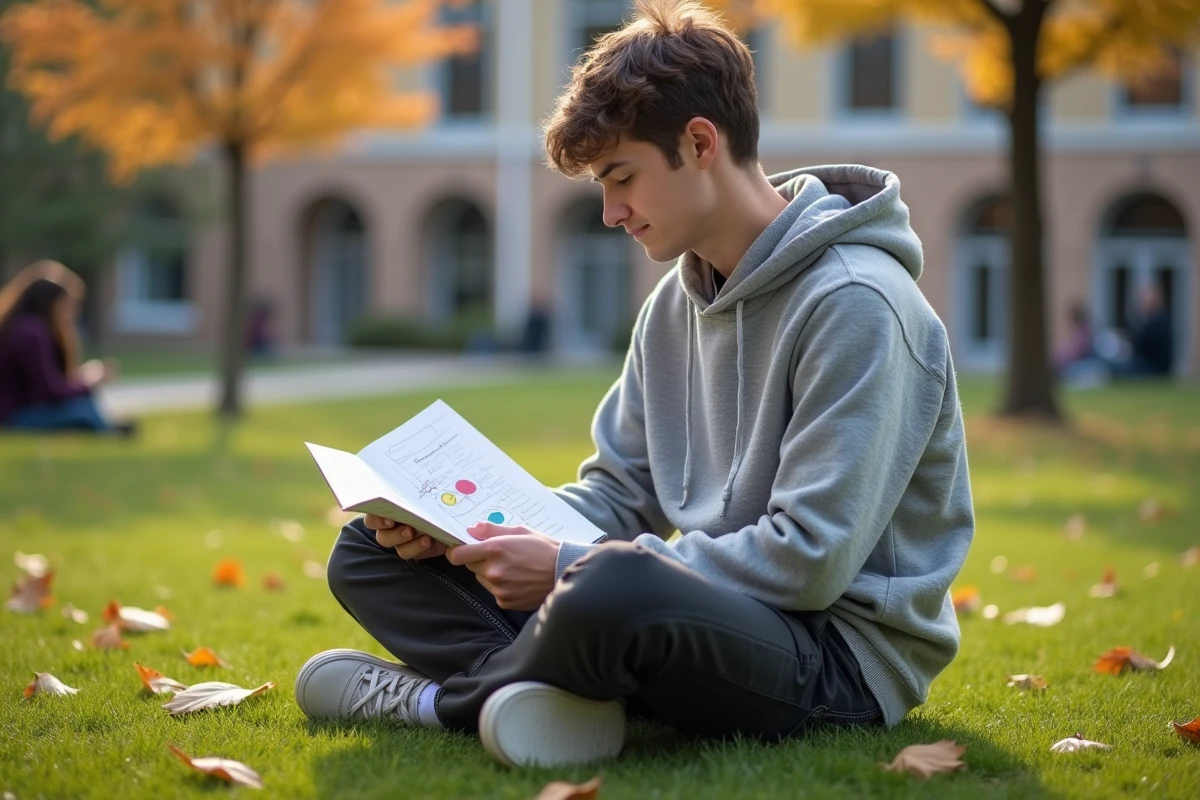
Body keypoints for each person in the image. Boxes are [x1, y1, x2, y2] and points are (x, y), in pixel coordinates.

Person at [294, 0, 973, 769]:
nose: (613, 213)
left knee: (612, 586)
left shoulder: (860, 302)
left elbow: (808, 561)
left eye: (623, 178)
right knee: (371, 553)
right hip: (691, 620)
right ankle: (544, 697)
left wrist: (563, 568)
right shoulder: (671, 308)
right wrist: (461, 531)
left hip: (833, 661)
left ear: (699, 143)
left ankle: (437, 702)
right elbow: (616, 496)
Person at [0, 275, 132, 434]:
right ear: (50, 304)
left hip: (15, 411)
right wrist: (89, 382)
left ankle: (107, 428)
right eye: (64, 306)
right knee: (83, 410)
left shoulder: (22, 326)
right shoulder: (33, 333)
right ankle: (108, 431)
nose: (68, 314)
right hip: (15, 416)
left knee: (83, 405)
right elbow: (50, 391)